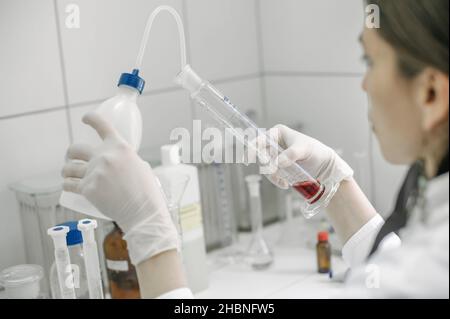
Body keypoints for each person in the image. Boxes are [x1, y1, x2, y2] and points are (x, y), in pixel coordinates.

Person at [61, 0, 449, 298]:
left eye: (370, 60)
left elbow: (398, 277)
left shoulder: (428, 270)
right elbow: (390, 259)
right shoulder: (430, 205)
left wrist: (150, 233)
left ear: (431, 93)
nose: (363, 84)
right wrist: (333, 183)